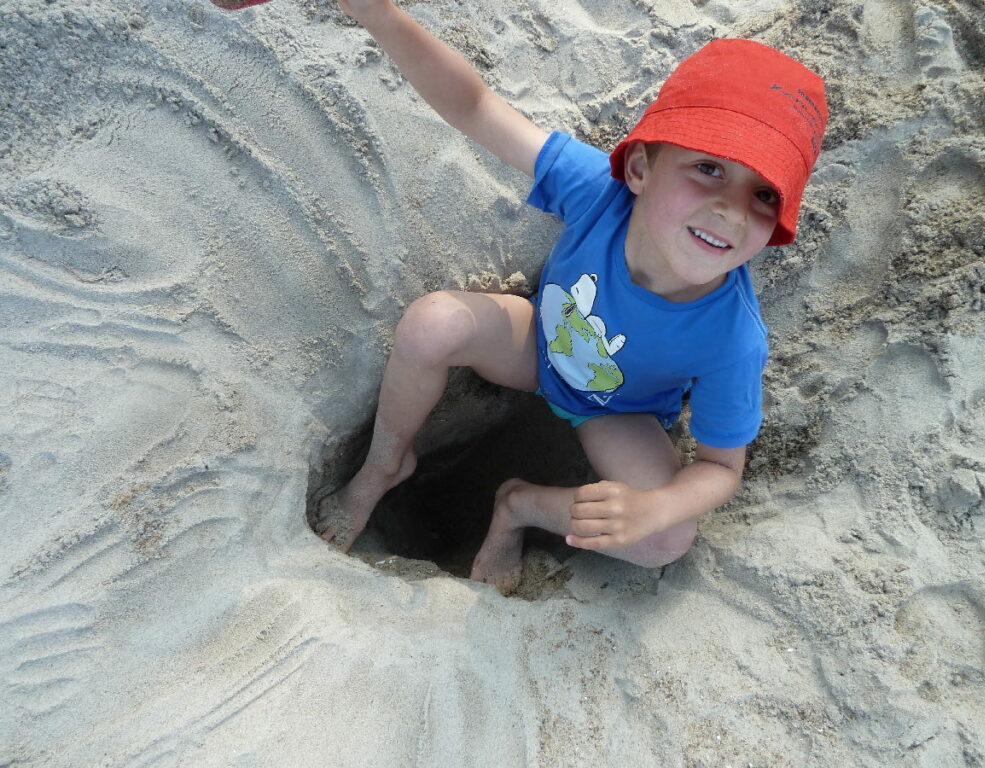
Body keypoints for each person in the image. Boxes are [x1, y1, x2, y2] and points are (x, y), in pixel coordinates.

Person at [228, 0, 828, 594]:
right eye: (709, 169)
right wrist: (379, 14)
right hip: (537, 343)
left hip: (619, 412)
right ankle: (387, 463)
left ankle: (519, 507)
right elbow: (475, 105)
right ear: (640, 168)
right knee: (432, 324)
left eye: (765, 195)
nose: (730, 208)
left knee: (665, 540)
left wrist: (656, 507)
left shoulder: (731, 338)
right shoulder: (603, 195)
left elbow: (721, 469)